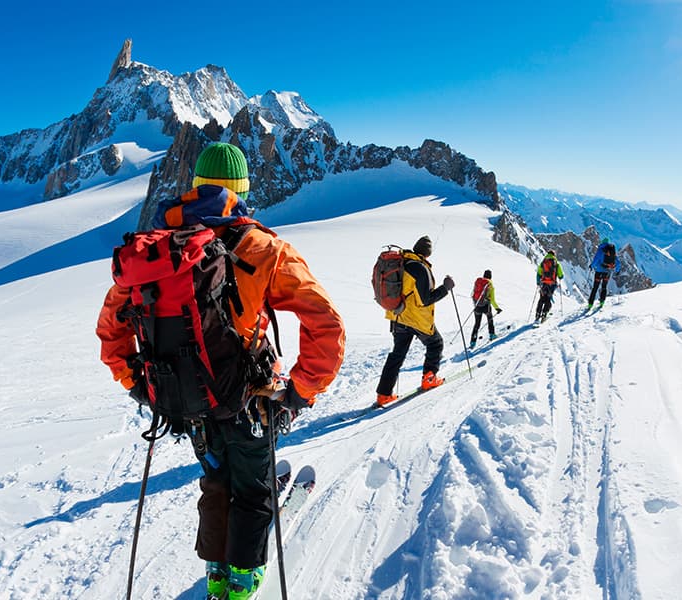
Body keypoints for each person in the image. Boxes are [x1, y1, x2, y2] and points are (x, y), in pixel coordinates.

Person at [96, 142, 345, 600]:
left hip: (187, 403)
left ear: (194, 188)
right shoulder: (262, 248)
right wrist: (299, 392)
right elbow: (324, 323)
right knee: (253, 491)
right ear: (242, 190)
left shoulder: (154, 255)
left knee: (216, 483)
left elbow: (111, 332)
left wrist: (143, 388)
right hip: (252, 401)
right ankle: (243, 582)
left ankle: (216, 572)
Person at [375, 236, 455, 407]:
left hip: (397, 316)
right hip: (415, 319)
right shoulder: (420, 268)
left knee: (397, 354)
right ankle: (429, 378)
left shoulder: (402, 262)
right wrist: (446, 288)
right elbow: (426, 299)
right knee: (436, 344)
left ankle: (383, 395)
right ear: (428, 253)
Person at [469, 269, 502, 349]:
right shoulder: (490, 284)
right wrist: (497, 308)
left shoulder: (478, 282)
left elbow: (472, 294)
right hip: (486, 306)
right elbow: (492, 300)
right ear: (490, 276)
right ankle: (492, 335)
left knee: (477, 324)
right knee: (490, 320)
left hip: (477, 306)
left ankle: (472, 342)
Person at [588, 238, 620, 309]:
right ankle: (602, 302)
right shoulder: (612, 251)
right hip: (607, 272)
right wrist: (617, 271)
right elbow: (617, 262)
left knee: (595, 287)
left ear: (602, 243)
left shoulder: (600, 250)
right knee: (604, 287)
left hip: (599, 272)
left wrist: (591, 266)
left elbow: (596, 260)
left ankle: (590, 304)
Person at [535, 250, 564, 323]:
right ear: (554, 255)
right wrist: (559, 277)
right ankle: (544, 314)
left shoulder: (543, 262)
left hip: (544, 283)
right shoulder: (556, 263)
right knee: (548, 298)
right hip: (552, 284)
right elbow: (561, 275)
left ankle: (538, 314)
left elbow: (538, 273)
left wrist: (538, 282)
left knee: (541, 298)